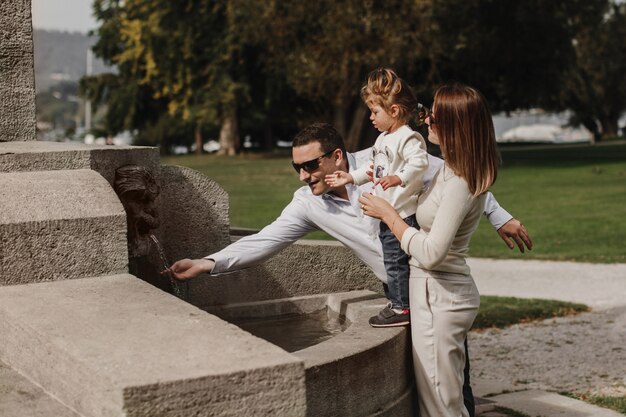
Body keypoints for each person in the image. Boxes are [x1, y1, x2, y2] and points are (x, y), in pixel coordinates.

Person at [167, 122, 532, 417]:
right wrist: (208, 263)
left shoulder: (383, 160)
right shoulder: (307, 204)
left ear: (337, 157)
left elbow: (453, 172)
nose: (303, 176)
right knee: (428, 388)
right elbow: (264, 241)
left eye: (310, 165)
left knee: (453, 385)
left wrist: (500, 217)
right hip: (400, 294)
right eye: (297, 168)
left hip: (436, 283)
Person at [359, 84, 504, 417]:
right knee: (439, 400)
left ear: (455, 126)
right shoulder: (449, 168)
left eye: (433, 117)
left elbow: (432, 252)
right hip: (433, 294)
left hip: (440, 297)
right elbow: (390, 160)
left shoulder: (460, 181)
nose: (425, 121)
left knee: (442, 406)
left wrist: (390, 216)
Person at [326, 68, 428, 327]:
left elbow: (419, 163)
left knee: (395, 263)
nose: (371, 117)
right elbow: (372, 169)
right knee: (391, 261)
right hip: (386, 213)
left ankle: (402, 309)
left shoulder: (408, 137)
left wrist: (399, 178)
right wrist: (349, 178)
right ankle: (398, 301)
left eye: (375, 111)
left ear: (394, 111)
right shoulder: (383, 139)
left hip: (402, 214)